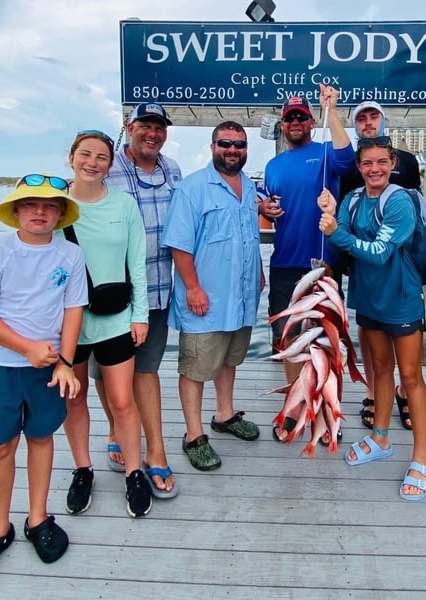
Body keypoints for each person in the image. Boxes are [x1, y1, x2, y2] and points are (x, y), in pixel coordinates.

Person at [0, 174, 86, 585]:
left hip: (49, 368)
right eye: (31, 204)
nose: (40, 212)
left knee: (42, 439)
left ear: (62, 213)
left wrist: (64, 361)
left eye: (50, 206)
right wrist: (27, 348)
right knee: (0, 447)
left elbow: (73, 309)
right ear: (16, 210)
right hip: (0, 367)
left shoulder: (70, 256)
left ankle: (37, 517)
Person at [318, 136, 426, 501]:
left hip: (400, 301)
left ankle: (421, 456)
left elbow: (380, 252)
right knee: (380, 369)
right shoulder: (352, 200)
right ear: (359, 167)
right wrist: (333, 220)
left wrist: (338, 232)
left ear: (392, 162)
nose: (374, 169)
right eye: (367, 163)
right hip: (367, 299)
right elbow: (342, 241)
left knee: (411, 377)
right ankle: (380, 437)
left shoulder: (398, 201)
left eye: (381, 162)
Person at [60, 130, 153, 518]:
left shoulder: (125, 204)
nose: (92, 162)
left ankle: (134, 472)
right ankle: (83, 468)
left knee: (122, 401)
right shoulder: (57, 205)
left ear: (110, 164)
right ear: (71, 158)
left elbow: (137, 262)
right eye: (85, 154)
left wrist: (140, 314)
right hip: (69, 323)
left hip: (116, 318)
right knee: (74, 398)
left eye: (101, 157)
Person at [161, 121, 263, 471]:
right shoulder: (192, 188)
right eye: (225, 143)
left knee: (229, 360)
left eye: (239, 144)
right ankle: (193, 434)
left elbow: (249, 236)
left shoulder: (249, 188)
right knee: (196, 367)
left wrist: (259, 271)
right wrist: (192, 287)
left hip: (242, 297)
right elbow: (179, 243)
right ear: (212, 146)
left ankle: (225, 414)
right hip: (205, 299)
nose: (232, 150)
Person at [260, 84, 356, 443]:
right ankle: (294, 408)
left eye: (302, 116)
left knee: (328, 344)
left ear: (311, 121)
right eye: (290, 118)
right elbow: (269, 202)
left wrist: (332, 109)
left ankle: (331, 413)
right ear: (283, 125)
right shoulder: (272, 165)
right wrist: (263, 208)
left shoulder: (329, 153)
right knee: (289, 342)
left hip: (322, 265)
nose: (296, 122)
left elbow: (349, 158)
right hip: (285, 264)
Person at [97, 102, 182, 500]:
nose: (152, 133)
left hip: (158, 288)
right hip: (109, 292)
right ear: (130, 127)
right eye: (145, 125)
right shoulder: (106, 167)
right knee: (104, 372)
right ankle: (116, 428)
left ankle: (156, 450)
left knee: (146, 371)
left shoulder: (174, 170)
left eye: (159, 126)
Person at [338, 101, 422, 433]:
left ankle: (405, 396)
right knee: (376, 351)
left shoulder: (406, 173)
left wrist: (338, 234)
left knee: (408, 363)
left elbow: (407, 216)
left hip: (398, 275)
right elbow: (343, 221)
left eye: (374, 116)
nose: (375, 169)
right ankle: (375, 396)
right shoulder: (349, 177)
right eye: (362, 118)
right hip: (364, 276)